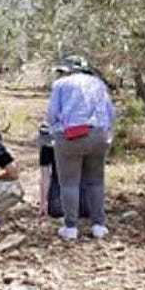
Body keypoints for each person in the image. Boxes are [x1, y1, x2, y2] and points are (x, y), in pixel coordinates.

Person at [46, 56, 116, 240]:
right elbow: (110, 111)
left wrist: (55, 130)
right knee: (96, 181)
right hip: (98, 134)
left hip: (70, 135)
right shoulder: (98, 83)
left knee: (69, 182)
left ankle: (71, 227)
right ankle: (98, 225)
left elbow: (52, 113)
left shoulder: (61, 85)